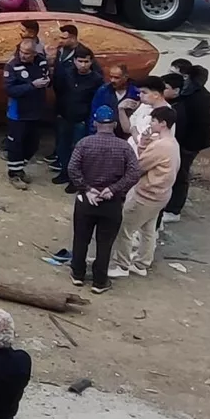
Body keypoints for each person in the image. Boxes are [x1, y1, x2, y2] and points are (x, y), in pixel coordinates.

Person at [67, 105, 142, 293]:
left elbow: (72, 169)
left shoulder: (84, 143)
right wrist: (113, 189)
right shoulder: (124, 147)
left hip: (86, 201)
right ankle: (100, 281)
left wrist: (88, 189)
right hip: (111, 203)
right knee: (105, 242)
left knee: (81, 238)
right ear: (115, 124)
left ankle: (77, 274)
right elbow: (134, 173)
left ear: (95, 123)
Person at [112, 105, 179, 278]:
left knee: (124, 229)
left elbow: (139, 165)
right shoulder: (171, 143)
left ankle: (122, 265)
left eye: (154, 121)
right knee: (148, 230)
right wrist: (144, 143)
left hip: (146, 194)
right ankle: (142, 263)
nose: (151, 123)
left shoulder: (161, 146)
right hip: (161, 195)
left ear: (163, 123)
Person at [162, 60, 210, 219]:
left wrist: (181, 145)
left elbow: (192, 124)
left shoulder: (193, 97)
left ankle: (174, 210)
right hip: (187, 140)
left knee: (180, 173)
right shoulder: (190, 92)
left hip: (189, 143)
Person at [1, 38, 50, 189]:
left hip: (36, 110)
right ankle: (14, 174)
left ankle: (19, 168)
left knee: (33, 143)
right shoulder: (12, 66)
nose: (23, 55)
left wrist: (48, 81)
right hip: (18, 112)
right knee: (16, 143)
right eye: (21, 52)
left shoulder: (41, 62)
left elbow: (47, 77)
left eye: (27, 53)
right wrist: (32, 86)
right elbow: (9, 90)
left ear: (35, 53)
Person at [51, 46, 101, 186]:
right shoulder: (66, 75)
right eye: (80, 61)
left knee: (78, 151)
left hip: (82, 121)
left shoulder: (96, 80)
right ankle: (64, 172)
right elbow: (59, 93)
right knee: (62, 147)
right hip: (65, 117)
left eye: (86, 61)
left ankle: (75, 179)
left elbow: (96, 102)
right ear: (74, 61)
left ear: (91, 62)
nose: (83, 65)